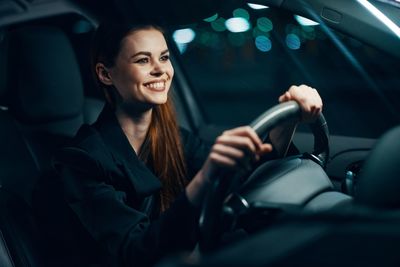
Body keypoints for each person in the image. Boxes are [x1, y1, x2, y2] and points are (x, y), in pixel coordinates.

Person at [34, 22, 322, 267]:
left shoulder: (174, 137)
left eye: (164, 57)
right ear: (105, 74)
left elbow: (241, 179)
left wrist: (286, 125)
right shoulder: (79, 160)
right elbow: (134, 252)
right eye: (143, 60)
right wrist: (207, 175)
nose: (160, 70)